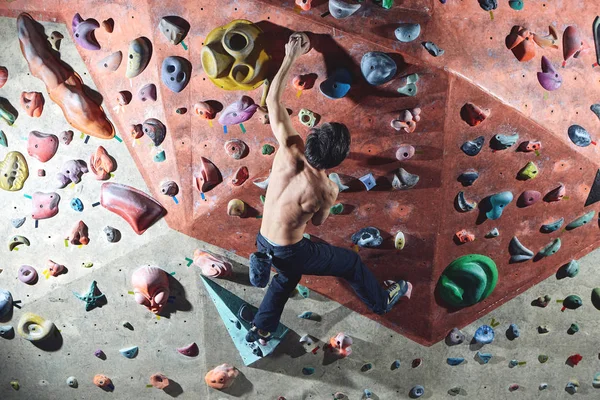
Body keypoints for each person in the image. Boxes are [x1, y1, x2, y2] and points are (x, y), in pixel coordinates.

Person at [246, 33, 411, 344]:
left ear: (310, 138)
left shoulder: (288, 147)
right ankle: (381, 301)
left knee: (285, 278)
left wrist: (291, 55)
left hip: (264, 238)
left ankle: (262, 326)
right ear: (337, 160)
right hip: (290, 250)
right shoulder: (326, 190)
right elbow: (319, 222)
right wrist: (322, 196)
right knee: (348, 262)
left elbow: (272, 101)